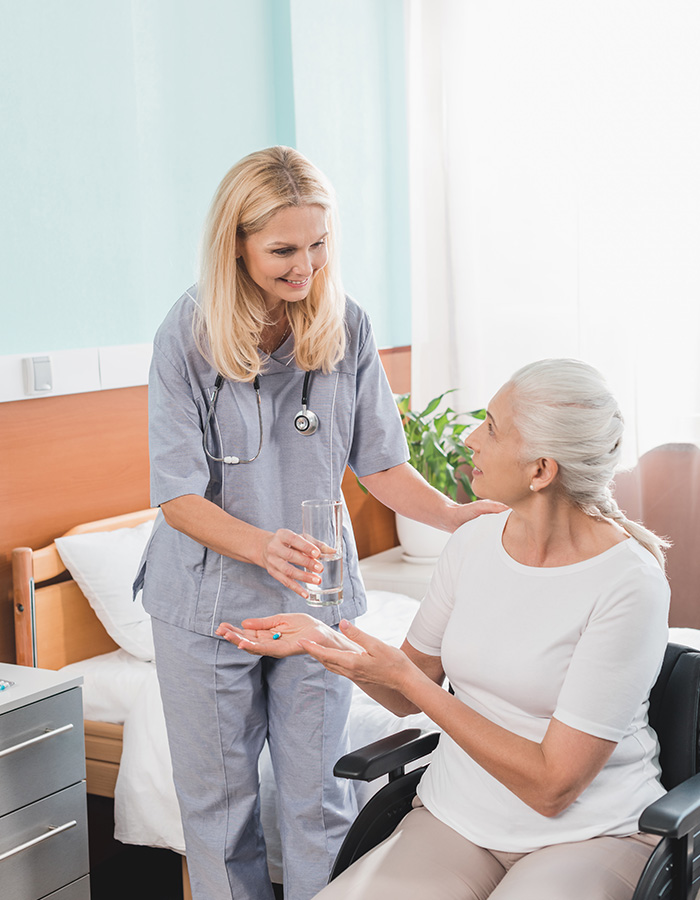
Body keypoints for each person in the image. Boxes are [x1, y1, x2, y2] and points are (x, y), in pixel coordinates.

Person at [136, 145, 504, 900]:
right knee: (220, 813)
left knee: (321, 799)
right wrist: (260, 545)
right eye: (282, 250)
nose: (304, 267)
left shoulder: (347, 326)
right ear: (235, 244)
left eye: (318, 244)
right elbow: (176, 495)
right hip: (207, 609)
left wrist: (454, 514)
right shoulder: (187, 335)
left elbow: (379, 463)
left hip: (316, 598)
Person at [218, 358, 671, 900]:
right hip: (458, 817)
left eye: (493, 428)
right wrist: (324, 643)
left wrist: (410, 681)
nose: (473, 438)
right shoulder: (474, 542)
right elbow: (404, 692)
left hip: (589, 833)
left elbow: (554, 786)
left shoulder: (627, 583)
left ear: (541, 470)